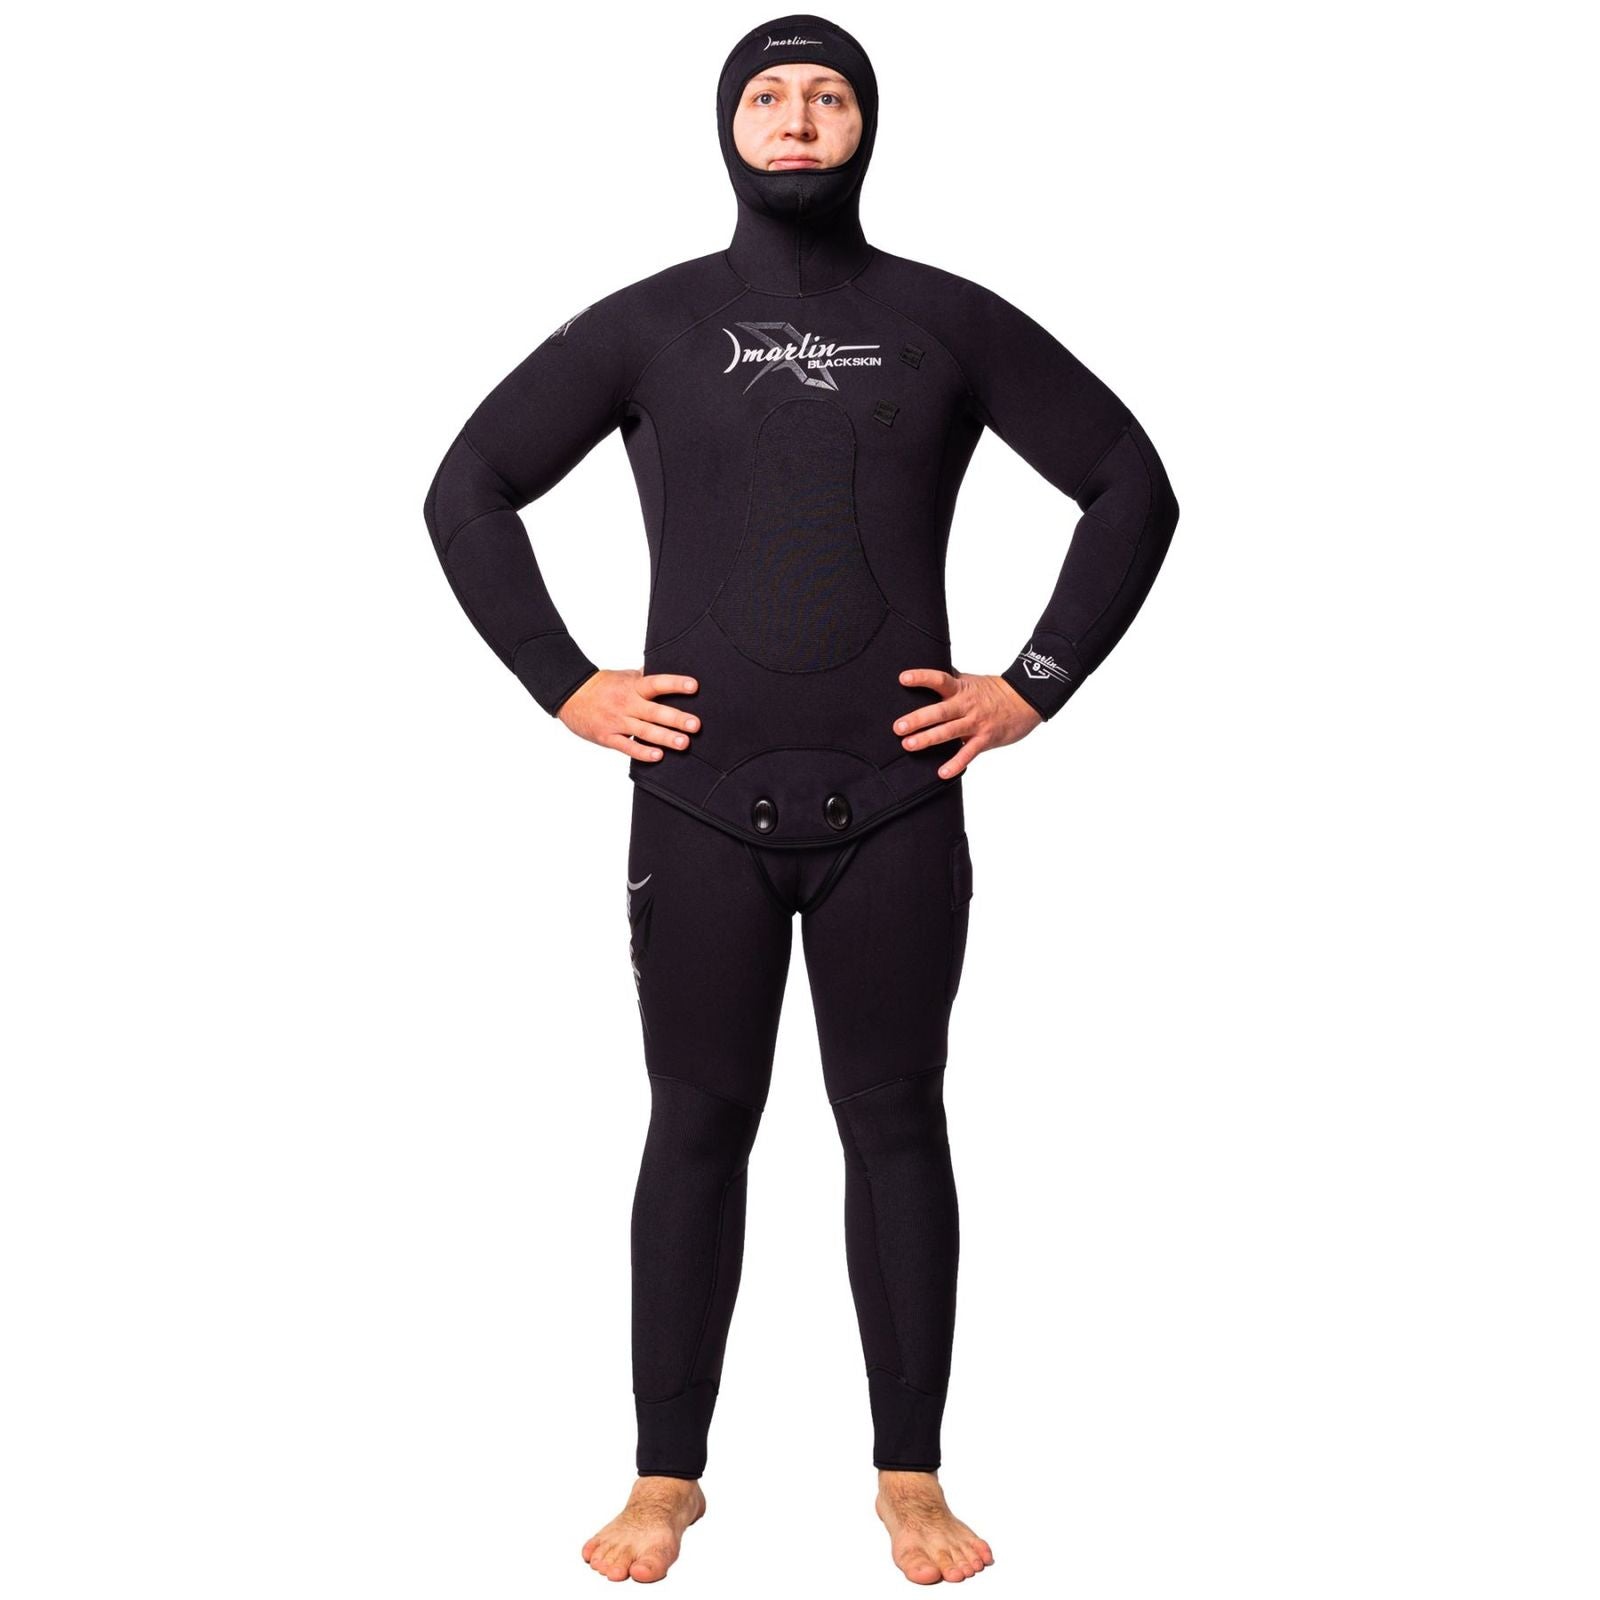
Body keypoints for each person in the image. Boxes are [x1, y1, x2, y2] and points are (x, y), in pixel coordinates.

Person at [422, 13, 1179, 1585]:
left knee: (895, 1121)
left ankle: (911, 1481)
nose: (795, 116)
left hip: (895, 800)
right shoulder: (653, 325)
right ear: (726, 124)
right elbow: (469, 486)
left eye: (827, 94)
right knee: (696, 1121)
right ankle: (664, 1482)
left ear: (867, 125)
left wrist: (1032, 683)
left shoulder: (943, 320)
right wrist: (564, 682)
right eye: (766, 93)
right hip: (698, 801)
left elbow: (1131, 483)